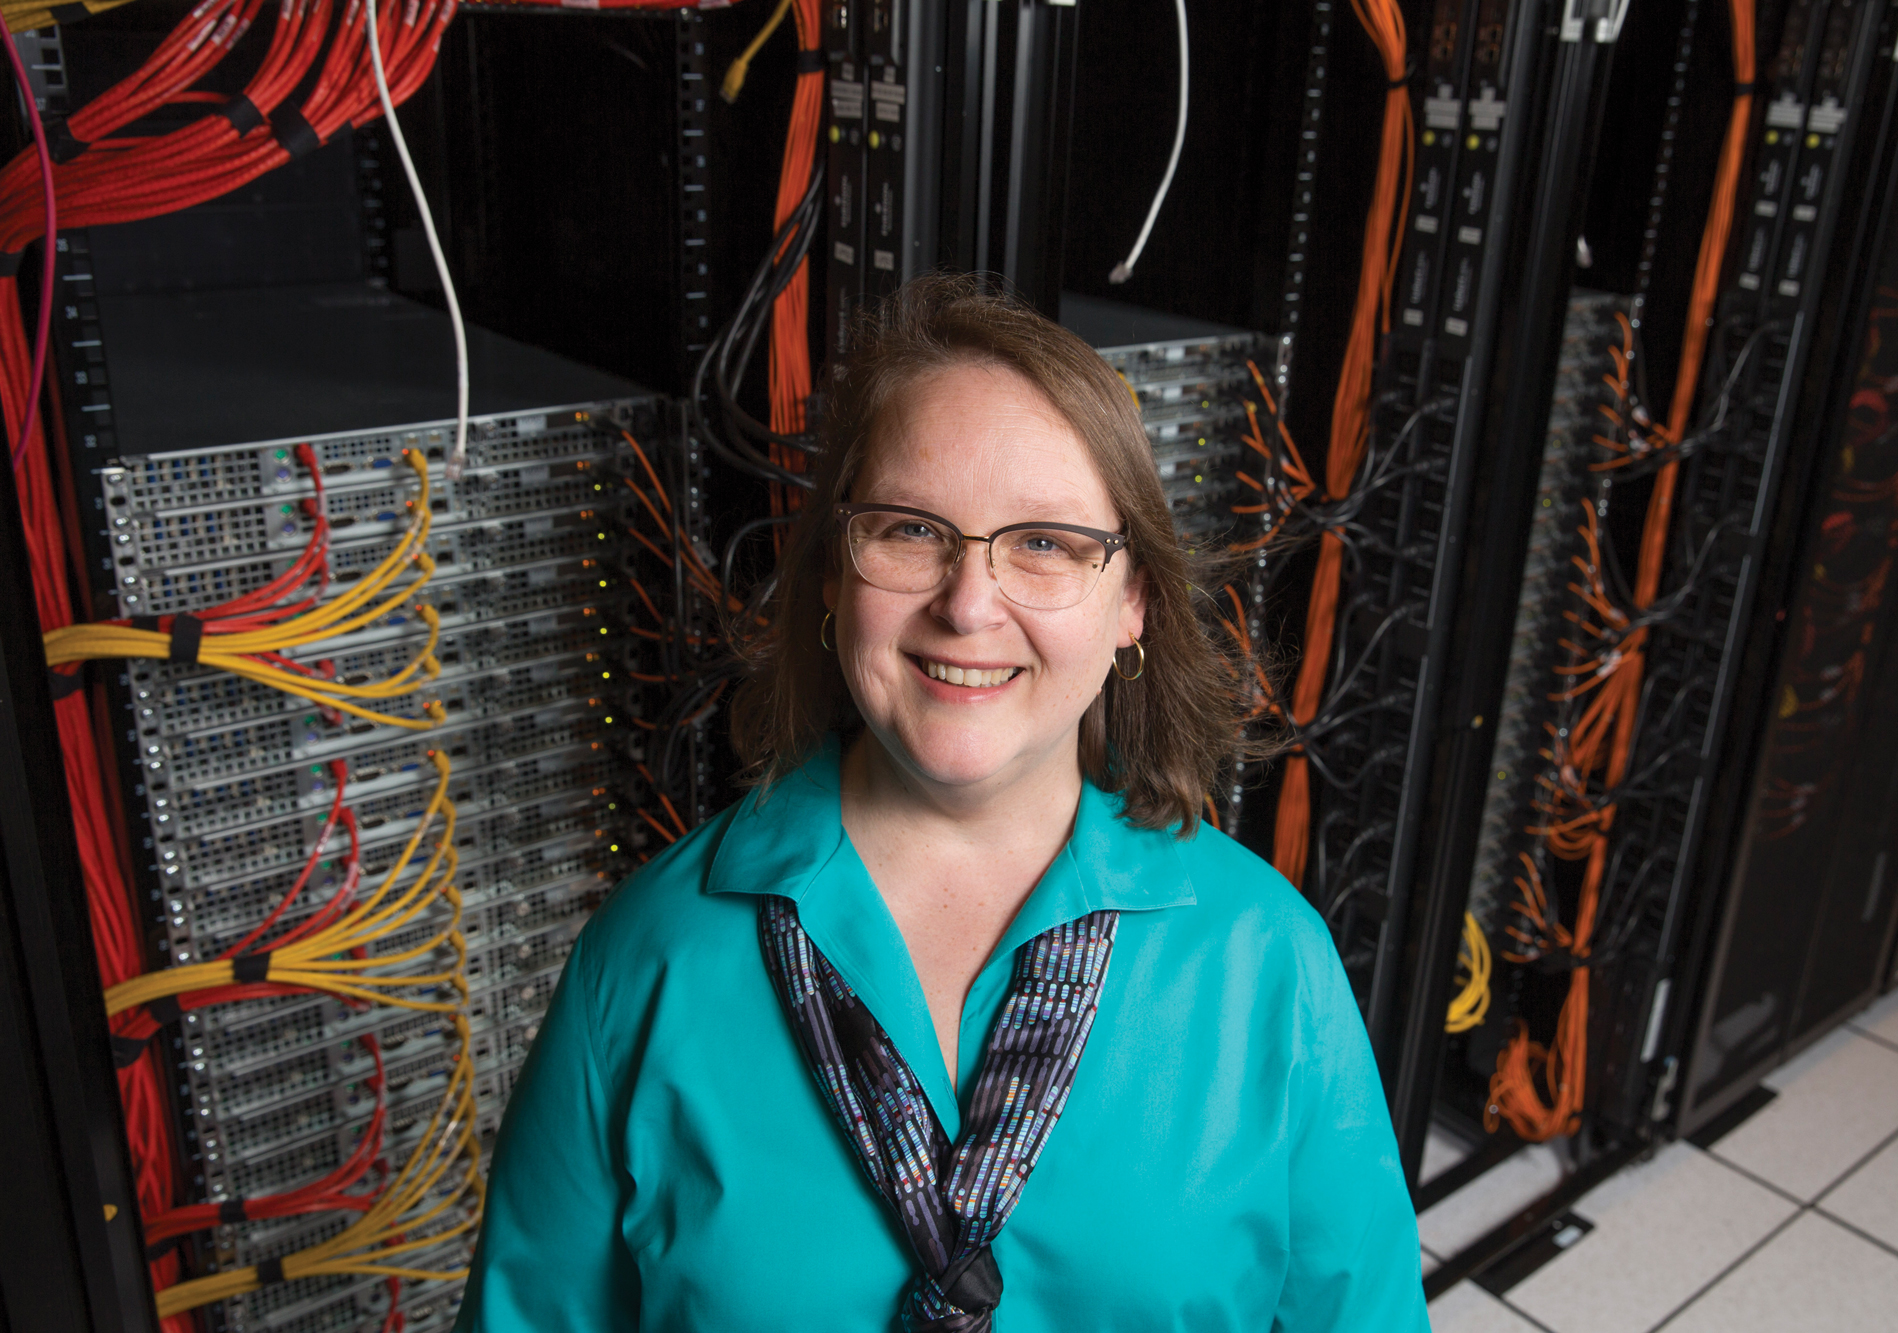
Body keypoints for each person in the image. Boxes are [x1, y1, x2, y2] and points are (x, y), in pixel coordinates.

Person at [455, 274, 1429, 1332]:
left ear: (1133, 602)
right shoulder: (647, 961)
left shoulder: (1267, 963)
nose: (967, 604)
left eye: (1046, 544)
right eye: (911, 531)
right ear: (833, 572)